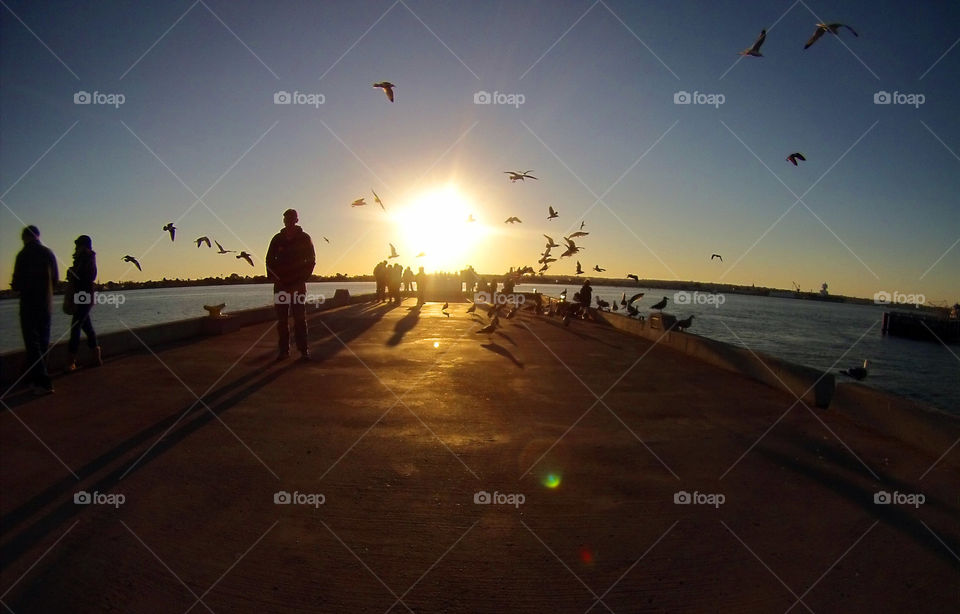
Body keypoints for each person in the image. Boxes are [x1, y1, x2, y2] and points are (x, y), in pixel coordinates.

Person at [10, 226, 58, 394]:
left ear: (24, 238)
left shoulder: (22, 255)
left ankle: (43, 382)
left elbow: (16, 283)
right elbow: (56, 279)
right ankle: (37, 379)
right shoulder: (48, 253)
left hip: (29, 304)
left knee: (32, 343)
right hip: (46, 304)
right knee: (43, 342)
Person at [266, 209, 316, 361]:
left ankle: (303, 349)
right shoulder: (277, 239)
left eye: (290, 218)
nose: (287, 221)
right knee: (282, 320)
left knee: (300, 318)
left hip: (298, 286)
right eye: (285, 218)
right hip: (281, 286)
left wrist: (301, 280)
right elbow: (269, 261)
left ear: (296, 220)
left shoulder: (304, 238)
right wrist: (276, 279)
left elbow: (311, 261)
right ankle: (283, 351)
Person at [66, 235, 101, 371]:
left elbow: (86, 276)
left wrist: (72, 273)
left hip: (83, 296)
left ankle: (70, 361)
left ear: (83, 246)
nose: (76, 248)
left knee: (75, 327)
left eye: (77, 245)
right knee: (86, 326)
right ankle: (96, 357)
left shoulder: (86, 258)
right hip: (84, 295)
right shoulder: (86, 258)